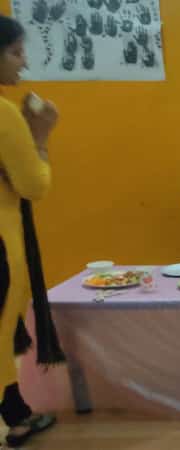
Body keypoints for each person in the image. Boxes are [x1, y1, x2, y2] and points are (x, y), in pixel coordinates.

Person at [0, 14, 66, 447]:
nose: (23, 63)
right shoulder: (3, 114)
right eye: (16, 52)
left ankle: (17, 414)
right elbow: (33, 184)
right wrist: (39, 137)